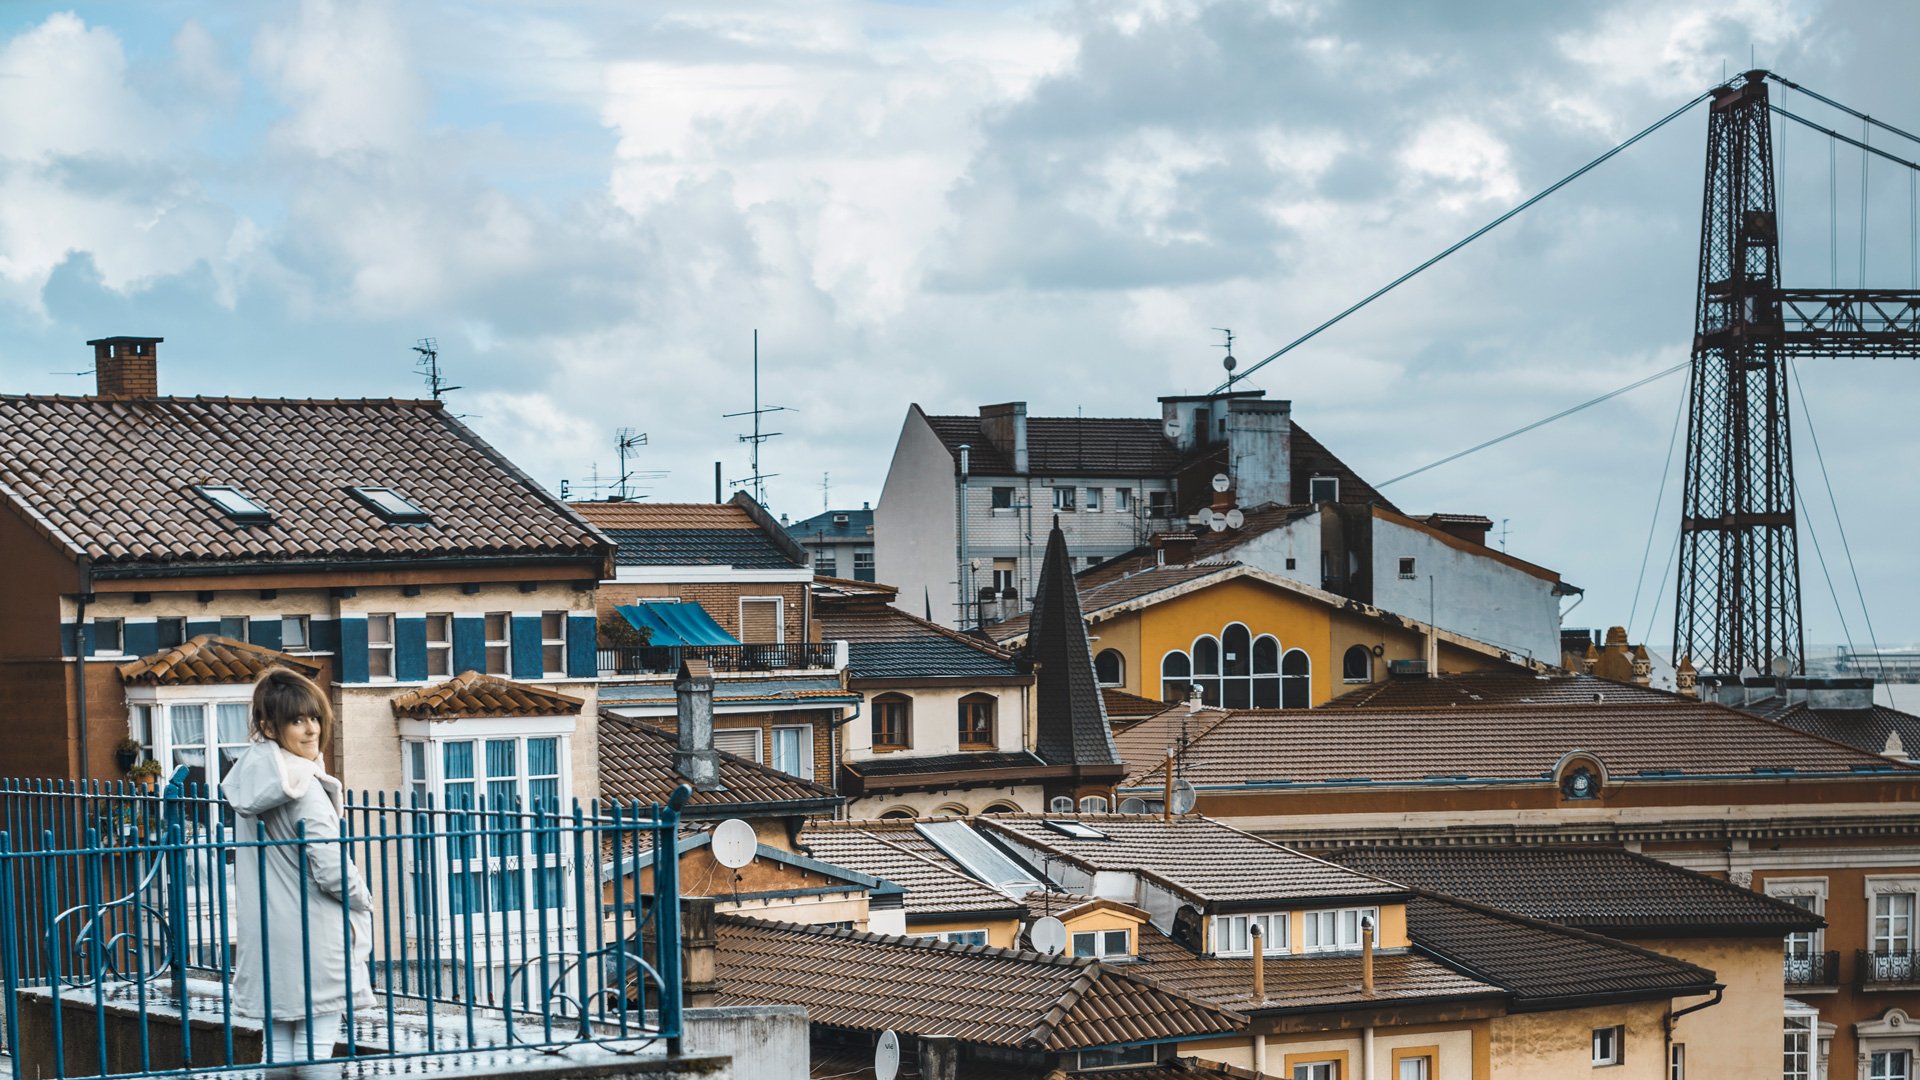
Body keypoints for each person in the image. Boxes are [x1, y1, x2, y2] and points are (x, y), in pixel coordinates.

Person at [222, 668, 374, 1064]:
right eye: (296, 720)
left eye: (315, 718)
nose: (311, 730)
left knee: (277, 1052)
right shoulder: (305, 786)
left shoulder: (249, 780)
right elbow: (333, 869)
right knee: (315, 1051)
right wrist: (364, 900)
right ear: (268, 726)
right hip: (316, 935)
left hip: (267, 935)